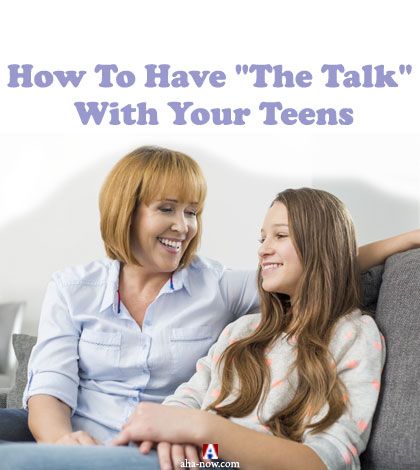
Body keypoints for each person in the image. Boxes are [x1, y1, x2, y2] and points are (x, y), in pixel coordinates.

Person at [0, 148, 418, 468]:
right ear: (125, 212)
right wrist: (67, 443)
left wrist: (404, 240)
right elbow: (51, 389)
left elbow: (317, 265)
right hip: (132, 445)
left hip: (194, 455)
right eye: (166, 209)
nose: (183, 226)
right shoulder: (242, 332)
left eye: (192, 213)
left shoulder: (221, 288)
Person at [109, 188, 386, 469]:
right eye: (262, 238)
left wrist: (203, 429)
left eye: (280, 235)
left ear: (321, 244)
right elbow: (186, 399)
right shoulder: (242, 330)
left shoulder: (354, 334)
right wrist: (175, 435)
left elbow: (331, 459)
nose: (263, 249)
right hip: (197, 462)